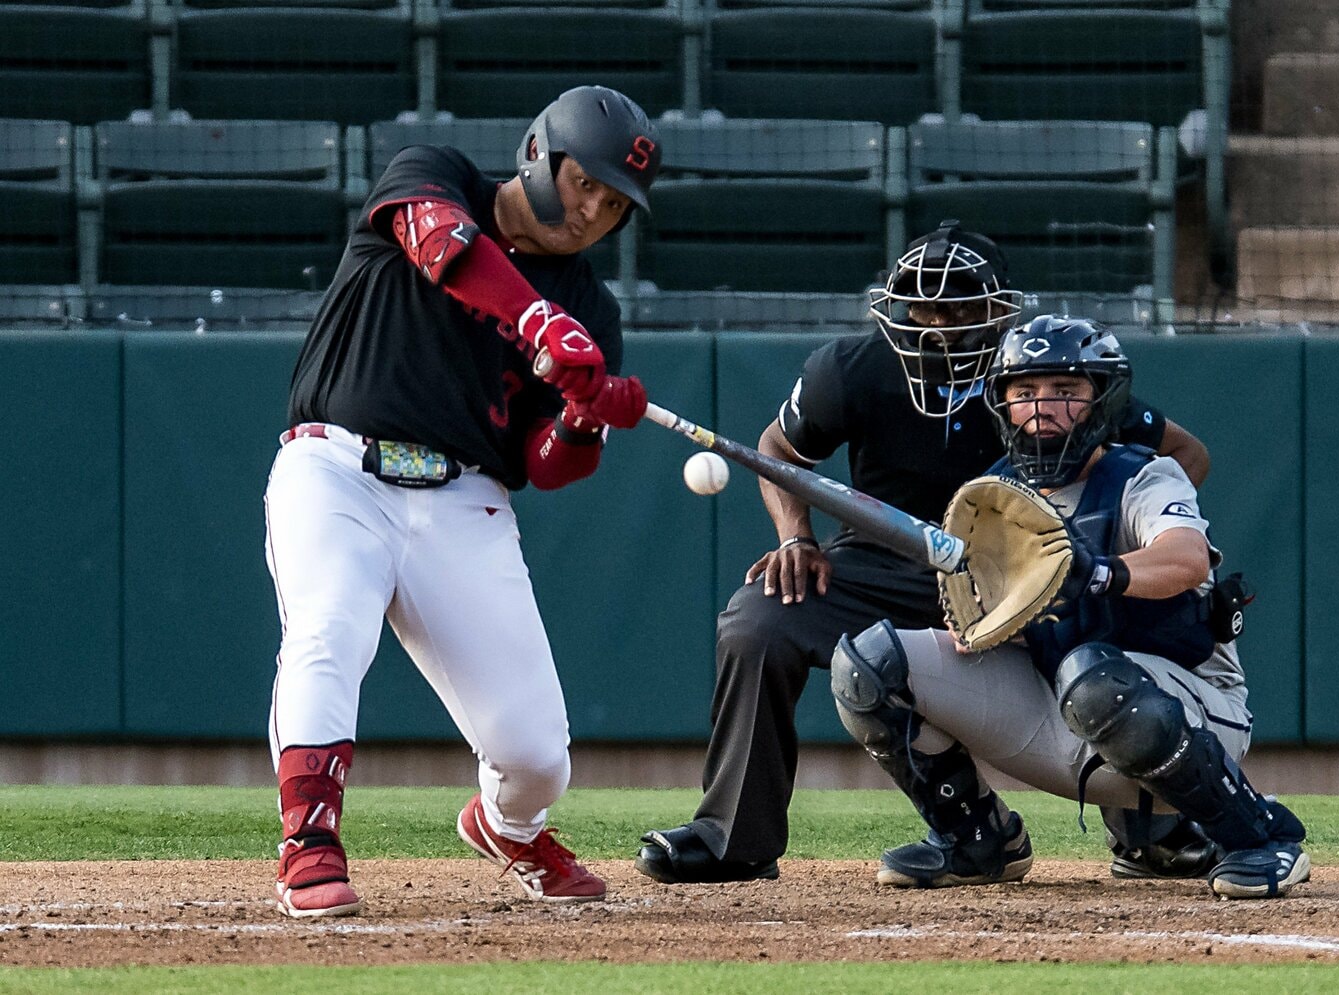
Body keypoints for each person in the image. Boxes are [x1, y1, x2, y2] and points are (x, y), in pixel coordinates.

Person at [635, 222, 1215, 886]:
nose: (939, 324)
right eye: (925, 307)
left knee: (1098, 626)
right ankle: (742, 837)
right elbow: (778, 450)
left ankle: (1153, 827)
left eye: (961, 307)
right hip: (881, 564)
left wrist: (1098, 543)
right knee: (758, 620)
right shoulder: (850, 369)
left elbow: (1185, 453)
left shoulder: (1039, 379)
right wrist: (795, 536)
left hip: (1014, 575)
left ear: (999, 310)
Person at [262, 86, 662, 918]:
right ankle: (310, 839)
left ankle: (510, 826)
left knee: (537, 755)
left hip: (464, 503)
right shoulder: (435, 175)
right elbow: (439, 245)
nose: (591, 210)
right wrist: (539, 322)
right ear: (537, 153)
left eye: (613, 202)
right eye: (582, 180)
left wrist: (584, 420)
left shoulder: (594, 308)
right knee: (328, 628)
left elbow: (545, 465)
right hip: (338, 470)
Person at [829, 315, 1309, 899]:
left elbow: (1186, 560)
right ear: (1001, 404)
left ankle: (1256, 837)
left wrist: (1101, 573)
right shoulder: (992, 498)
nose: (1042, 408)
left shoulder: (1145, 475)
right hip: (1059, 703)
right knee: (868, 664)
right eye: (1025, 393)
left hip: (1190, 701)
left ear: (1101, 401)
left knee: (1094, 677)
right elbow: (993, 620)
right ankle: (977, 841)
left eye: (1065, 391)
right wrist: (979, 626)